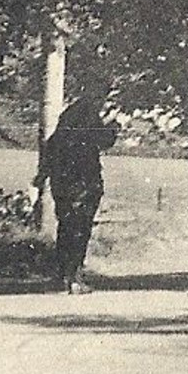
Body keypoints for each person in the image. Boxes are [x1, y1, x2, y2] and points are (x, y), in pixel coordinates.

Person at [34, 79, 118, 293]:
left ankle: (64, 276)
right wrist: (113, 127)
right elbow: (102, 140)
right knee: (80, 228)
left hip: (61, 179)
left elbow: (52, 144)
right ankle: (74, 276)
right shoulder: (89, 113)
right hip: (83, 180)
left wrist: (42, 176)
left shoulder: (69, 114)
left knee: (66, 226)